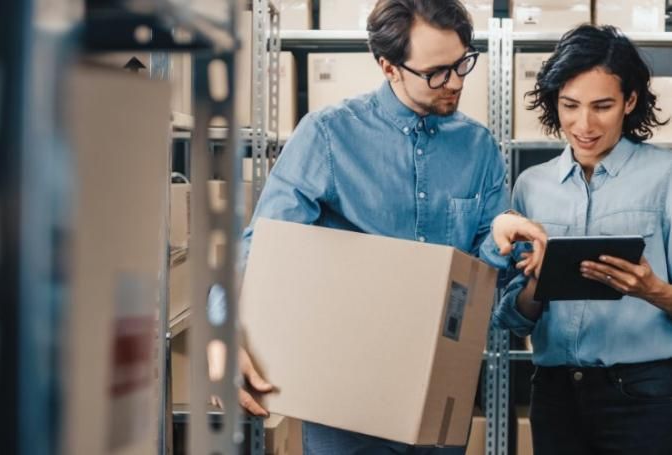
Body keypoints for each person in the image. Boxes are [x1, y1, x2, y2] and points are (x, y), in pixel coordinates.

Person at [222, 0, 546, 453]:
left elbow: (485, 288)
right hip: (345, 399)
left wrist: (498, 244)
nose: (454, 82)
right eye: (436, 72)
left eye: (462, 63)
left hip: (439, 390)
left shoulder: (479, 148)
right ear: (388, 66)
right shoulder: (328, 136)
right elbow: (260, 249)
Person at [493, 24, 672, 455]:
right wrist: (537, 282)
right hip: (554, 395)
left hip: (643, 394)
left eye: (602, 106)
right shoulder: (531, 186)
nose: (583, 124)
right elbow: (513, 321)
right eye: (569, 105)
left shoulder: (665, 177)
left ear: (629, 101)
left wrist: (653, 291)